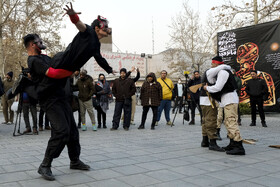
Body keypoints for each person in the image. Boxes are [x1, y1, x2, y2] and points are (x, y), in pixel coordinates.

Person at [204, 56, 245, 155]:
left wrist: (207, 88)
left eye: (212, 64)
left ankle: (238, 146)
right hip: (227, 100)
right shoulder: (223, 71)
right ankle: (232, 143)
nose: (211, 66)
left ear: (216, 64)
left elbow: (218, 87)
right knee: (228, 122)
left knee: (231, 122)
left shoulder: (223, 72)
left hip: (230, 99)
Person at [200, 73, 224, 152]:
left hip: (203, 100)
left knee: (205, 120)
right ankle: (212, 142)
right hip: (208, 100)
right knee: (211, 120)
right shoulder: (212, 75)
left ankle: (205, 140)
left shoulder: (207, 74)